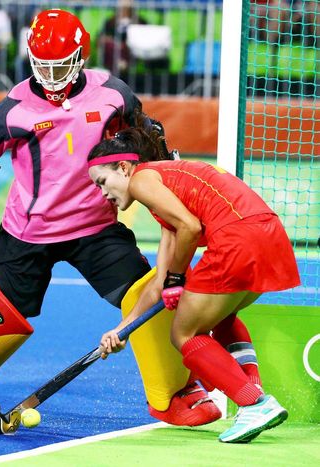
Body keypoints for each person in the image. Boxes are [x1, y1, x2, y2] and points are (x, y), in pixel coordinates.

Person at [0, 9, 221, 427]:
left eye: (60, 66)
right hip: (28, 232)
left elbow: (145, 134)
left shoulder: (112, 94)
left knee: (147, 292)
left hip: (96, 227)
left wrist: (164, 165)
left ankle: (176, 392)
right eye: (41, 66)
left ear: (81, 56)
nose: (50, 76)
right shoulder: (14, 107)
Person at [88, 122, 299, 443]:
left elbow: (189, 227)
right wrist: (123, 328)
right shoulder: (167, 188)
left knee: (183, 333)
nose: (103, 194)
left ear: (123, 167)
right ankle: (252, 390)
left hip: (237, 239)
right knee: (221, 316)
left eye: (102, 182)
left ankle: (255, 404)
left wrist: (177, 278)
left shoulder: (143, 179)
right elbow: (159, 278)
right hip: (269, 234)